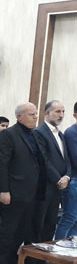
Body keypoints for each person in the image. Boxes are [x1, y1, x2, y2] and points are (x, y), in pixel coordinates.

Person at [0, 103, 45, 264]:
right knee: (8, 229)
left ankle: (10, 260)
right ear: (19, 116)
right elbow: (2, 164)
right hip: (14, 190)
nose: (35, 117)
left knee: (23, 229)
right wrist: (4, 190)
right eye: (31, 114)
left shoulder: (34, 134)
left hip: (32, 190)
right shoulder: (9, 134)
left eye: (36, 114)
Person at [33, 101, 71, 243]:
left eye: (63, 111)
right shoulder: (39, 132)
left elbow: (66, 159)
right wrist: (58, 179)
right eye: (57, 111)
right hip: (45, 186)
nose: (61, 115)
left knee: (51, 223)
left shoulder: (60, 134)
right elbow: (44, 160)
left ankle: (46, 252)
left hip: (58, 186)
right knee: (39, 223)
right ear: (47, 113)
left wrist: (67, 176)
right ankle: (34, 254)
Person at [56, 102, 77, 239]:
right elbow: (75, 159)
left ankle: (71, 248)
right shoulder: (71, 133)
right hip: (73, 180)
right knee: (69, 218)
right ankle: (58, 247)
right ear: (75, 115)